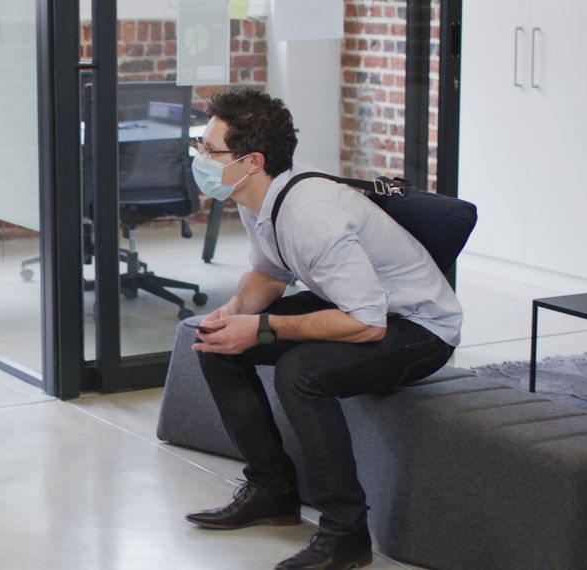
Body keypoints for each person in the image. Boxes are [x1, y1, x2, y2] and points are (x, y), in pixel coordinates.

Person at [183, 88, 462, 570]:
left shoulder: (310, 214)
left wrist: (263, 327)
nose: (201, 158)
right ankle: (272, 489)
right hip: (359, 303)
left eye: (211, 150)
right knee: (216, 344)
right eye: (201, 147)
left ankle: (346, 533)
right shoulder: (257, 198)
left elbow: (368, 324)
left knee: (301, 372)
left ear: (251, 161)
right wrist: (236, 311)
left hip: (419, 326)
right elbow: (269, 272)